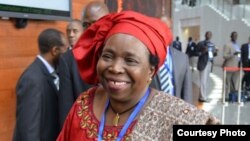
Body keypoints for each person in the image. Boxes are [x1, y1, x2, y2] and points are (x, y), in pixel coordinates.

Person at [57, 11, 219, 141]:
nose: (115, 68)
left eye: (130, 60)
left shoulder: (178, 116)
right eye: (107, 56)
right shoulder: (84, 104)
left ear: (150, 70)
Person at [58, 1, 110, 128]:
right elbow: (66, 111)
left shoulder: (123, 52)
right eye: (86, 24)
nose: (92, 28)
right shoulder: (69, 59)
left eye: (97, 22)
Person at [13, 28, 67, 141]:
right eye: (65, 49)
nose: (67, 54)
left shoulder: (50, 73)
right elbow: (29, 129)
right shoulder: (32, 80)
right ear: (55, 50)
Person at [197, 31, 218, 102]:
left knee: (206, 81)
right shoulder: (201, 44)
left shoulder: (212, 44)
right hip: (203, 63)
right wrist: (203, 51)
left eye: (210, 35)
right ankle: (202, 97)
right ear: (205, 35)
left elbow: (213, 54)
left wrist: (216, 52)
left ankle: (204, 95)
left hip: (209, 63)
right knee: (202, 81)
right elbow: (196, 53)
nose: (209, 36)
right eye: (208, 34)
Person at [223, 31, 241, 99]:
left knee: (234, 82)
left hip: (236, 66)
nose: (235, 37)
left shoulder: (237, 45)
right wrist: (233, 54)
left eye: (236, 35)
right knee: (227, 82)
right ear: (231, 36)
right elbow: (224, 56)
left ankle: (232, 96)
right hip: (229, 66)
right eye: (234, 35)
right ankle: (226, 96)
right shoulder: (227, 45)